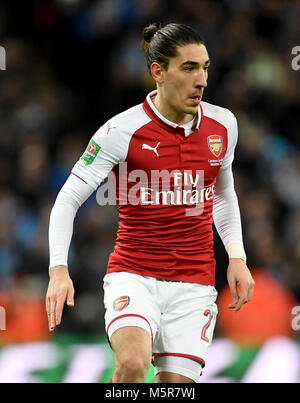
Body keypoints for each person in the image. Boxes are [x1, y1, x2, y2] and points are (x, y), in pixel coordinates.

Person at [46, 22, 255, 383]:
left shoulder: (224, 126)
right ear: (158, 72)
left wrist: (236, 255)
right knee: (131, 365)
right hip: (134, 275)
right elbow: (68, 198)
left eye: (205, 67)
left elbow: (222, 193)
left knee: (173, 388)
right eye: (189, 68)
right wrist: (58, 270)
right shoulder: (120, 131)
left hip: (194, 283)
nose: (202, 80)